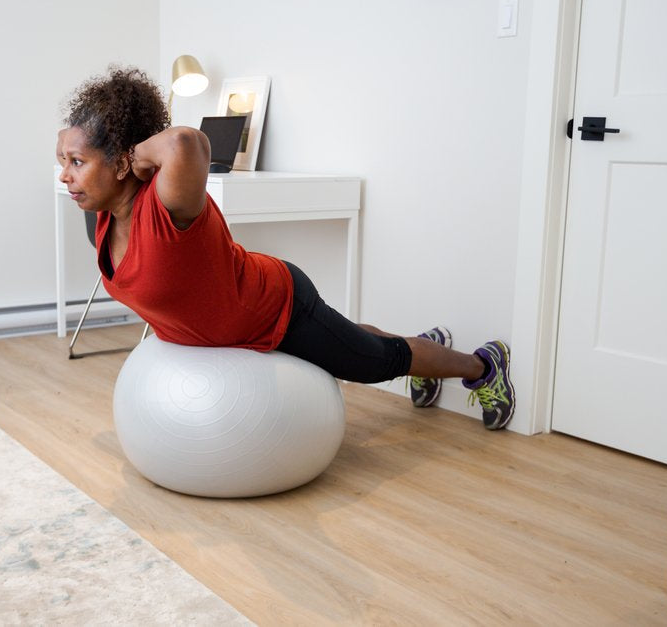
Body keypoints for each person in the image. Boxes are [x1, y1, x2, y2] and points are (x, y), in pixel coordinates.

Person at [56, 66, 515, 430]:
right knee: (352, 337)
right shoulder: (96, 217)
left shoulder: (169, 203)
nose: (65, 176)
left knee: (375, 363)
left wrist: (135, 154)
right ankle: (426, 346)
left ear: (120, 162)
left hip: (276, 308)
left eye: (77, 162)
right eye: (63, 161)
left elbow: (185, 141)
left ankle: (482, 365)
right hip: (232, 329)